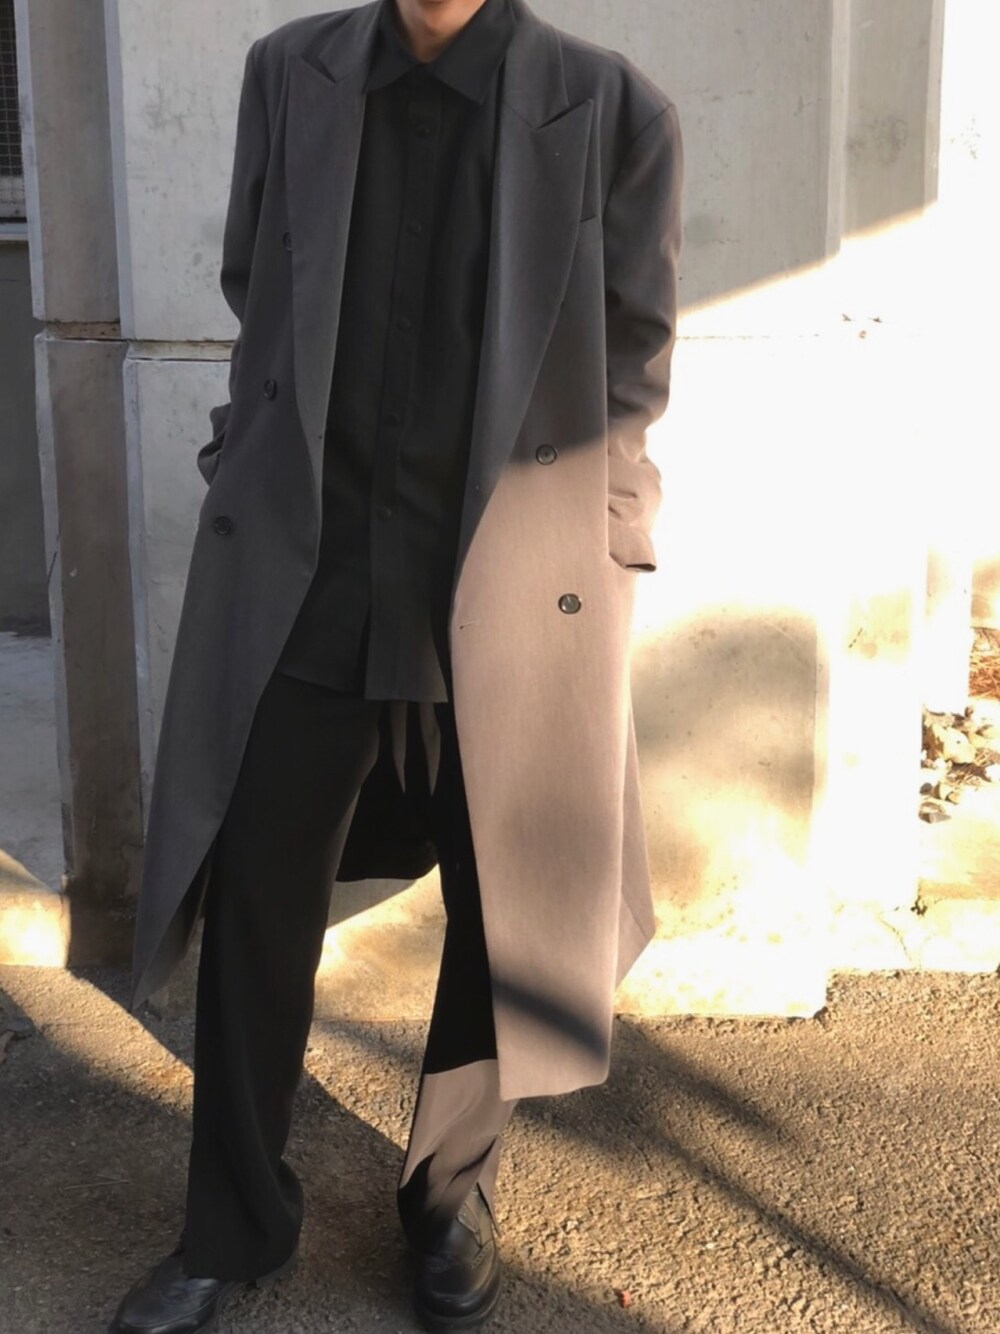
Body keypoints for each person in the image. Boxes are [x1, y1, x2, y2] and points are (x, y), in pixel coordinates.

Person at [109, 0, 682, 1329]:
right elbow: (258, 286)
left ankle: (449, 1195)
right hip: (306, 581)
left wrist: (609, 535)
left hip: (511, 586)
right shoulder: (287, 74)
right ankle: (232, 1222)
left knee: (507, 906)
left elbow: (634, 355)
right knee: (255, 898)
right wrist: (240, 458)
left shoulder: (612, 109)